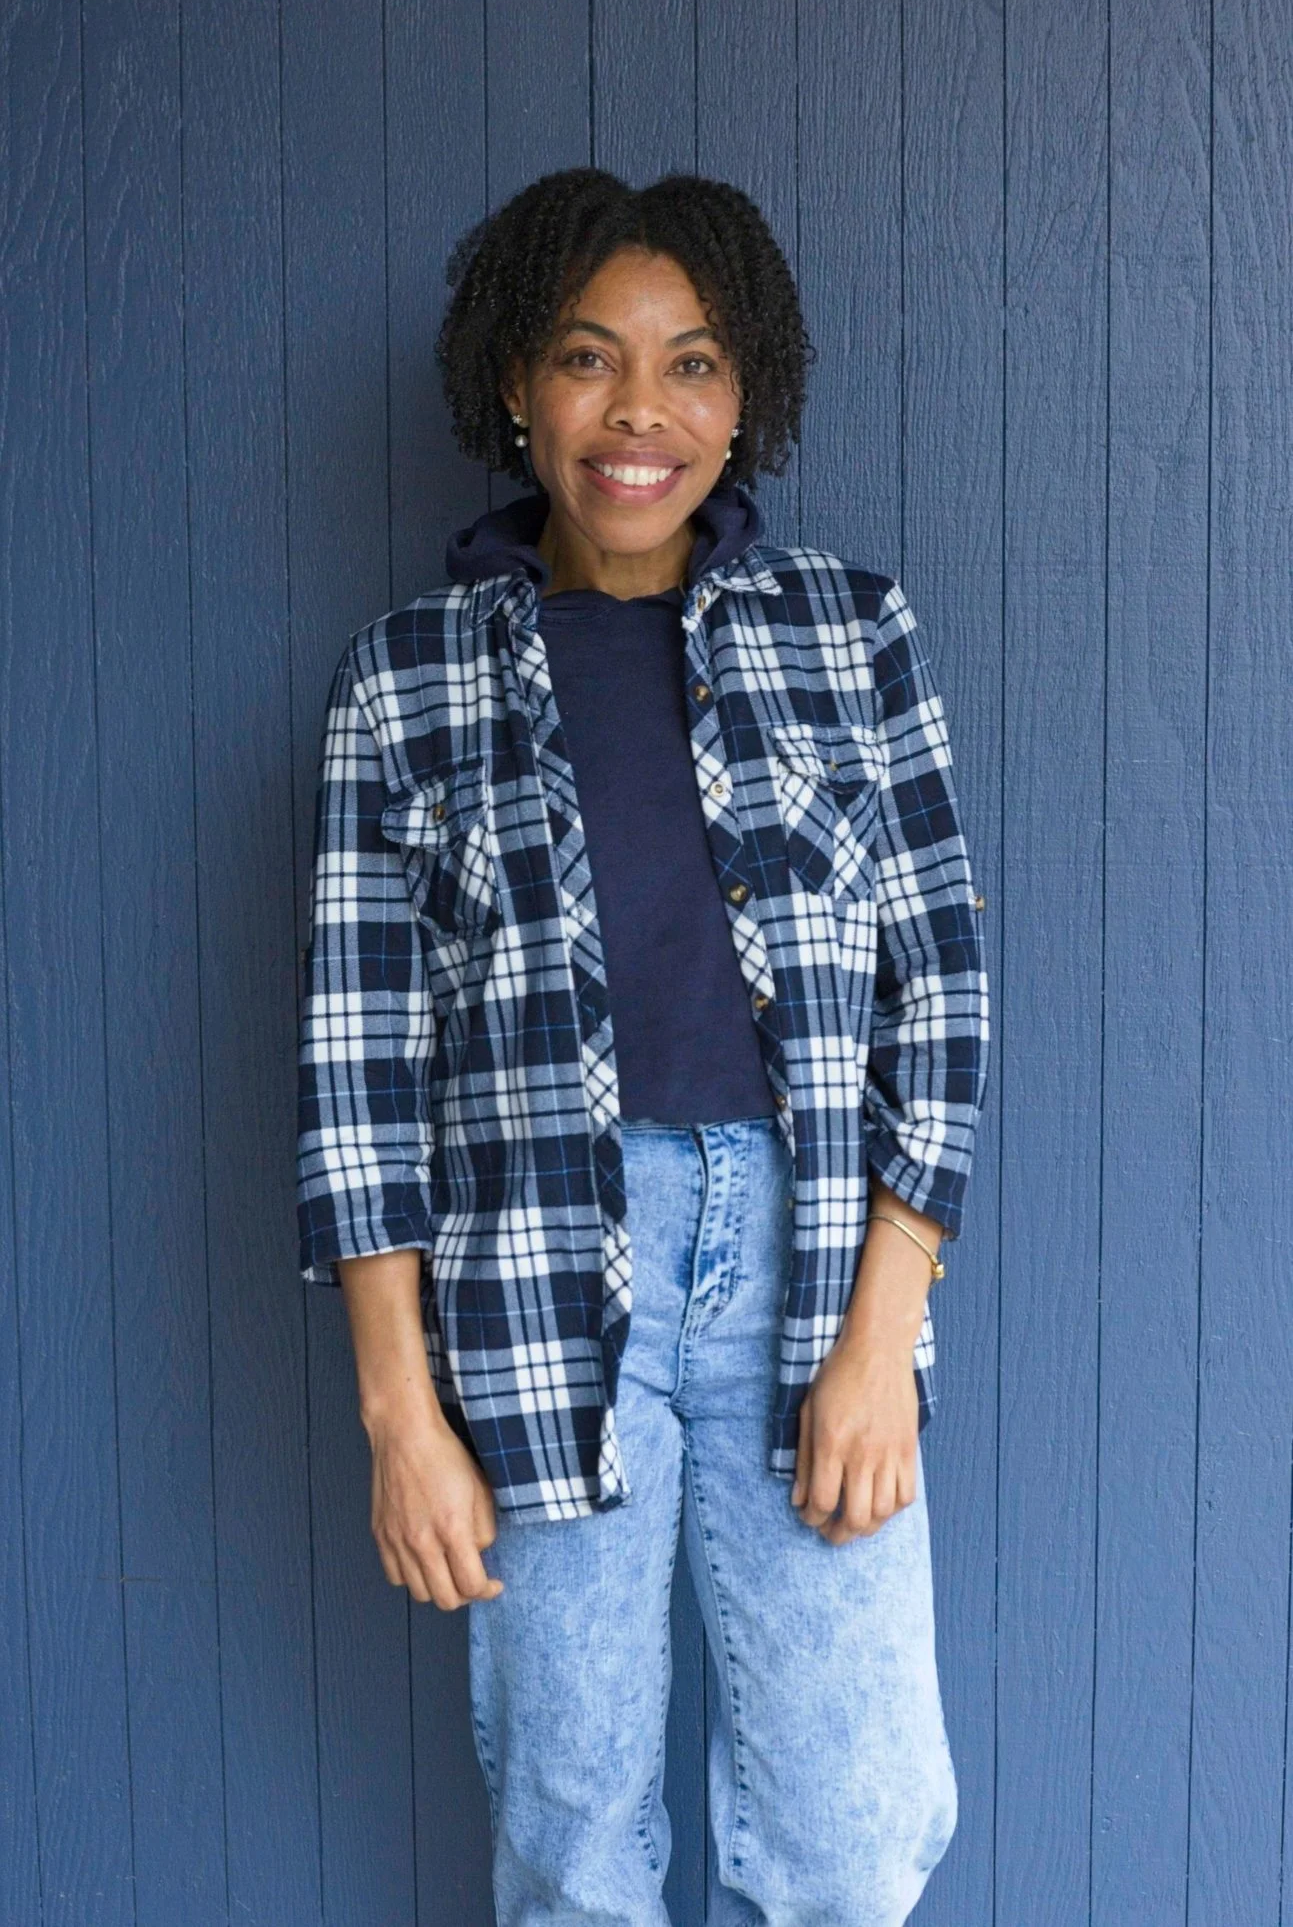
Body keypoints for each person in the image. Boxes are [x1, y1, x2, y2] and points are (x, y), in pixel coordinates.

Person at [296, 166, 990, 1927]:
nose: (638, 415)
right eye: (589, 360)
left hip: (810, 1269)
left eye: (690, 365)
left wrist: (878, 1330)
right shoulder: (405, 682)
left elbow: (946, 995)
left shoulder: (853, 636)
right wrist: (399, 1410)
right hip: (531, 1289)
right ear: (514, 386)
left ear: (744, 394)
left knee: (856, 1827)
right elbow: (357, 1072)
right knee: (574, 1846)